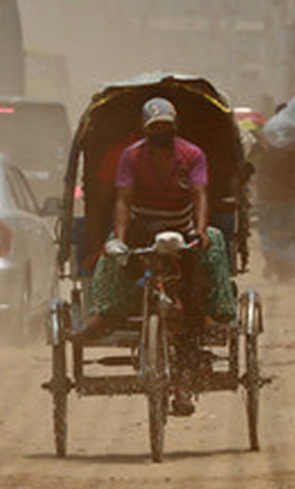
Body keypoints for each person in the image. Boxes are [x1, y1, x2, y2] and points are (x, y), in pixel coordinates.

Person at [81, 98, 236, 417]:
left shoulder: (192, 155)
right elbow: (123, 199)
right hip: (141, 226)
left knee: (206, 263)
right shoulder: (131, 156)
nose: (161, 133)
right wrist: (121, 240)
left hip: (180, 226)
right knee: (112, 250)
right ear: (145, 130)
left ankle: (210, 314)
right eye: (155, 129)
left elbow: (199, 194)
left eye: (166, 127)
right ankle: (106, 311)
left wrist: (202, 231)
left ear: (174, 127)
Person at [255, 104, 295, 280]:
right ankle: (282, 267)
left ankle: (272, 261)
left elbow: (254, 163)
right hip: (286, 194)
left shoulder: (265, 138)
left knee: (268, 229)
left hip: (267, 192)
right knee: (286, 231)